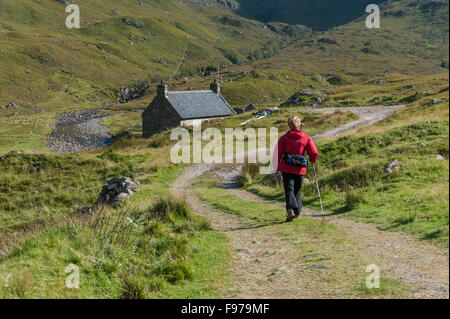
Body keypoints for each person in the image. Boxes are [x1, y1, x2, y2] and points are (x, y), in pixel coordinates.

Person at [276, 115, 319, 222]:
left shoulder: (284, 138)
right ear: (299, 124)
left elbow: (277, 154)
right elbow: (314, 152)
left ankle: (291, 209)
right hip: (300, 169)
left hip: (287, 168)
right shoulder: (306, 138)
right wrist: (312, 160)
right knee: (297, 190)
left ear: (289, 125)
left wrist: (276, 167)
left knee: (289, 190)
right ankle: (298, 213)